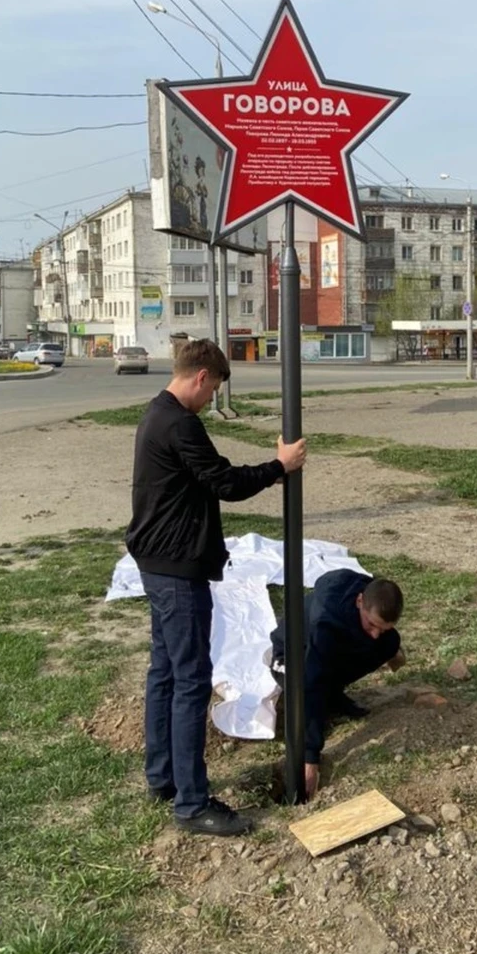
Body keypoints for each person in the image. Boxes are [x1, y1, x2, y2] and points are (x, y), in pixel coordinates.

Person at [126, 338, 306, 837]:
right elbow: (224, 482)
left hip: (157, 562)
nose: (211, 399)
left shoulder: (155, 414)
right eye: (214, 389)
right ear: (202, 377)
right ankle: (191, 804)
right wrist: (280, 467)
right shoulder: (180, 424)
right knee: (190, 680)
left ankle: (162, 777)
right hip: (176, 569)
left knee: (164, 671)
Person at [270, 570, 405, 801]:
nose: (375, 634)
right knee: (306, 682)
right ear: (359, 601)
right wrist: (309, 758)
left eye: (383, 628)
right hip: (291, 655)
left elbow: (378, 634)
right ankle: (327, 697)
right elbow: (311, 685)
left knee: (389, 644)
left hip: (331, 649)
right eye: (372, 624)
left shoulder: (372, 596)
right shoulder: (326, 621)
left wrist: (391, 647)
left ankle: (332, 694)